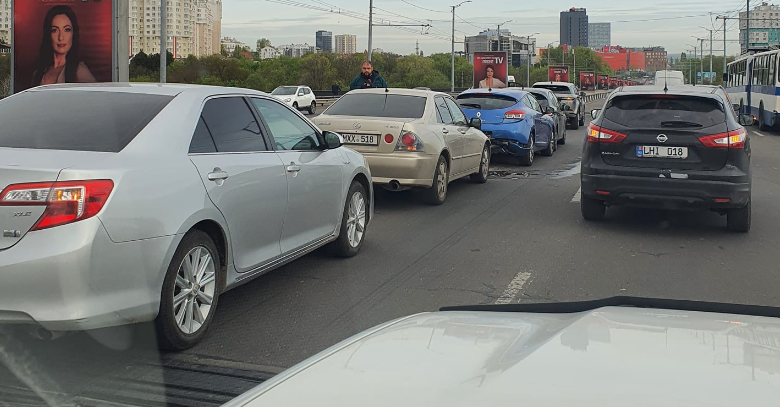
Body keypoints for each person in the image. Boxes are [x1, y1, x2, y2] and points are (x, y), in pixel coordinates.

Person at [32, 5, 96, 87]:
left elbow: (95, 97)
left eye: (67, 30)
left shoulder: (79, 70)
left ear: (73, 34)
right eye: (54, 30)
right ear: (48, 34)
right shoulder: (38, 74)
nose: (61, 37)